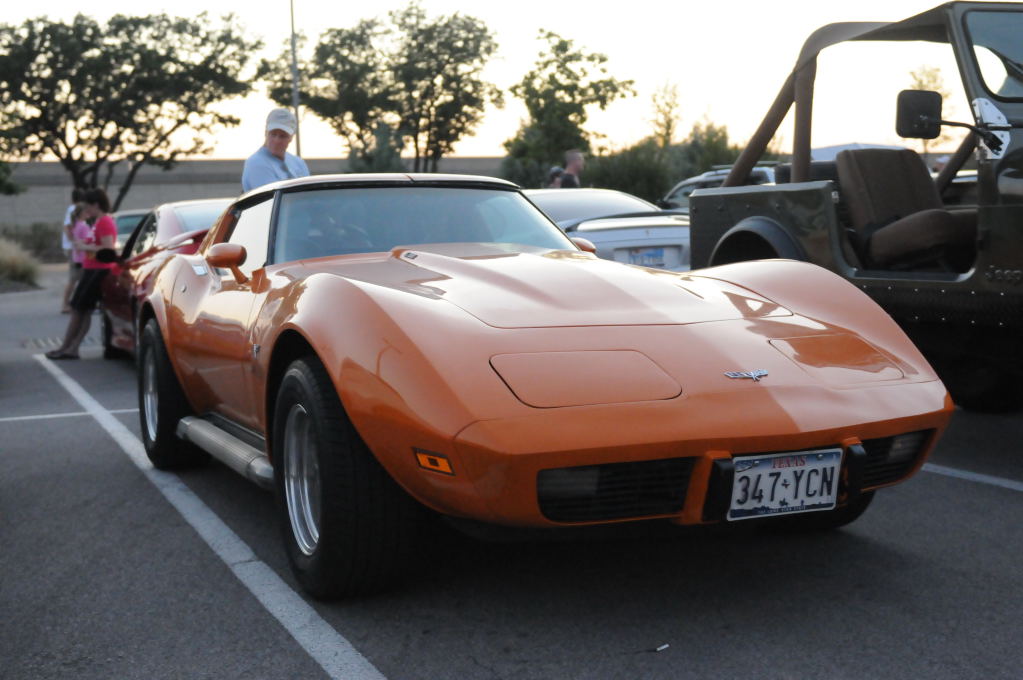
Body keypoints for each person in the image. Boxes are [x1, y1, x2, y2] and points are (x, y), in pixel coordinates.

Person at [45, 188, 117, 360]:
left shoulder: (105, 221)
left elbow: (108, 248)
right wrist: (85, 243)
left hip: (98, 270)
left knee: (79, 309)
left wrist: (85, 246)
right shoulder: (97, 222)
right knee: (81, 310)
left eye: (88, 206)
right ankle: (70, 347)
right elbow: (97, 243)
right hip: (90, 269)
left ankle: (69, 347)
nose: (86, 210)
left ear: (96, 205)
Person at [241, 108, 310, 192]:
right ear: (265, 132)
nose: (276, 140)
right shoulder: (256, 163)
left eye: (283, 136)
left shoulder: (298, 163)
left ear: (291, 137)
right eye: (273, 134)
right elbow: (270, 197)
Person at [60, 188, 85, 313]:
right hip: (73, 248)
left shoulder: (73, 208)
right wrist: (75, 242)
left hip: (73, 247)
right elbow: (67, 227)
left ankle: (76, 302)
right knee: (74, 277)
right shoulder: (73, 209)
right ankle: (65, 304)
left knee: (79, 277)